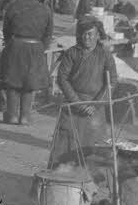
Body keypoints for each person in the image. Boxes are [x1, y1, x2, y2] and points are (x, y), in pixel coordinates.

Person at [50, 18, 119, 163]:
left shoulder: (105, 55)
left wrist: (95, 105)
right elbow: (62, 79)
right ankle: (58, 180)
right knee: (64, 145)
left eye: (90, 34)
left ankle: (88, 182)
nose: (86, 37)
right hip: (72, 105)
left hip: (95, 107)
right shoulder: (71, 53)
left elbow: (111, 82)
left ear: (98, 35)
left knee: (93, 149)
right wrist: (78, 103)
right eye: (83, 34)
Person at [0, 0, 55, 125]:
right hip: (36, 47)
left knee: (12, 82)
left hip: (16, 45)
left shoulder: (12, 7)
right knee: (30, 83)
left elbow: (6, 31)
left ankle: (11, 115)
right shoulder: (45, 9)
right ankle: (25, 117)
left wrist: (11, 45)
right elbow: (48, 34)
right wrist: (42, 48)